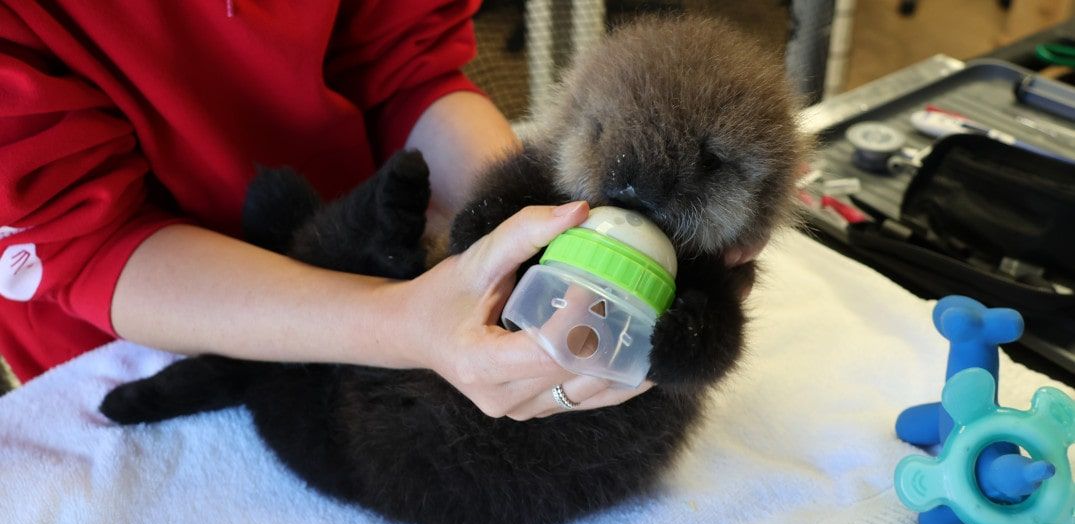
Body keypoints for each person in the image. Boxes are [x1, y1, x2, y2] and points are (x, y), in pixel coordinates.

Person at [0, 1, 761, 420]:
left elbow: (407, 63)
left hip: (377, 225)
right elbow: (89, 241)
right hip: (145, 315)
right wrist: (402, 323)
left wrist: (505, 233)